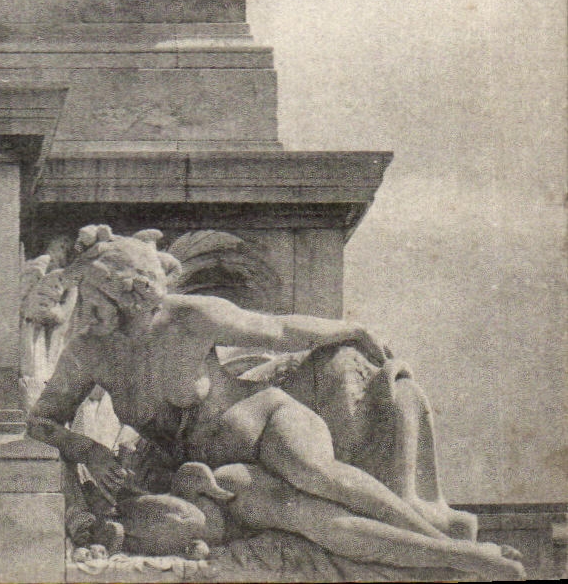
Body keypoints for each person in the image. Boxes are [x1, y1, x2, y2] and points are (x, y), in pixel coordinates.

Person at [26, 227, 463, 549]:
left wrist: (349, 329)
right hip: (214, 470)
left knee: (318, 477)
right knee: (312, 516)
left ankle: (437, 539)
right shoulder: (88, 352)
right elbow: (42, 420)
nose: (84, 310)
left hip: (264, 421)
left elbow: (277, 329)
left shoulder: (190, 317)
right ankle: (443, 551)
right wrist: (86, 449)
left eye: (94, 298)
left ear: (128, 293)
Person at [164, 461, 525, 579]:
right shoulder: (211, 538)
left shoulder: (232, 487)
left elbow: (334, 527)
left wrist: (462, 556)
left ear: (198, 490)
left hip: (290, 447)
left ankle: (463, 554)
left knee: (333, 512)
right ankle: (460, 555)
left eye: (187, 515)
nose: (200, 536)